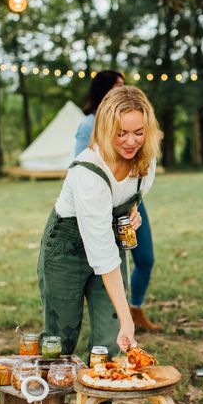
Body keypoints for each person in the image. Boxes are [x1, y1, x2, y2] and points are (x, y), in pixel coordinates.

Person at [38, 85, 161, 404]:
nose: (130, 141)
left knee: (108, 341)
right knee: (61, 336)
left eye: (139, 132)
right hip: (68, 247)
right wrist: (130, 317)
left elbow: (128, 202)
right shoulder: (88, 171)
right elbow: (103, 256)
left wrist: (130, 214)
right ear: (104, 128)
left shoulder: (146, 162)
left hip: (105, 239)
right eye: (121, 132)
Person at [75, 70, 161, 332]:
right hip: (100, 205)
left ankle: (135, 309)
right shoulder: (88, 124)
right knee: (107, 263)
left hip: (130, 203)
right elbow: (79, 166)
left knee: (144, 258)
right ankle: (113, 321)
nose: (123, 90)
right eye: (117, 86)